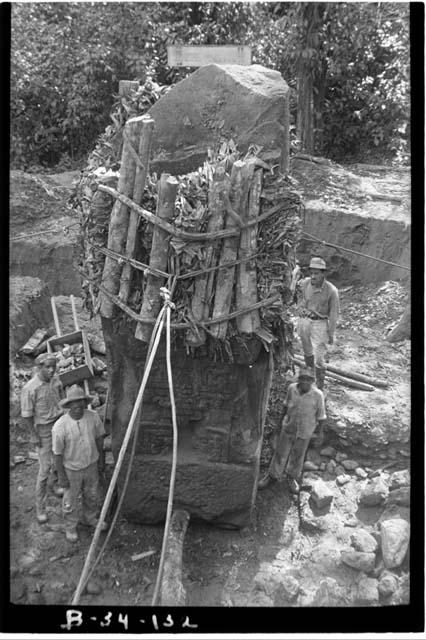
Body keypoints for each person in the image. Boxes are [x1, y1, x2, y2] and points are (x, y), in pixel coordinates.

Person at [52, 384, 107, 542]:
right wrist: (61, 476)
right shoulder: (60, 426)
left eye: (80, 402)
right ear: (68, 405)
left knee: (92, 494)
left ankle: (91, 519)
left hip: (91, 465)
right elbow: (57, 454)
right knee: (70, 500)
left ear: (84, 402)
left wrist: (101, 461)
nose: (77, 406)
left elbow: (99, 439)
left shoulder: (93, 416)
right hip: (71, 470)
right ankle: (70, 526)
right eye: (74, 403)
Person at [258, 368, 326, 494]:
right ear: (298, 379)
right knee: (280, 453)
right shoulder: (292, 389)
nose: (305, 382)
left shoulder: (318, 395)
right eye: (302, 378)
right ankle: (272, 476)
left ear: (313, 381)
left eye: (308, 379)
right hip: (288, 427)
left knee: (298, 456)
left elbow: (321, 416)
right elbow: (285, 406)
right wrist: (279, 425)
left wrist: (320, 433)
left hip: (305, 431)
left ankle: (291, 477)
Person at [20, 353, 65, 523]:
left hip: (58, 423)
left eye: (54, 366)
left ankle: (55, 485)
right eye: (47, 366)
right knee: (44, 469)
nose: (52, 369)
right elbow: (26, 415)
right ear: (39, 367)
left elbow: (61, 394)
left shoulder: (55, 379)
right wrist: (33, 435)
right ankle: (41, 508)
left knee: (59, 458)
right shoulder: (30, 388)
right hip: (43, 429)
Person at [296, 256, 340, 390]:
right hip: (305, 322)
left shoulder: (331, 291)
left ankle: (319, 386)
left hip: (320, 323)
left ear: (323, 274)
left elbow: (333, 315)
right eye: (311, 273)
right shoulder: (304, 284)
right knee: (307, 352)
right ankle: (309, 382)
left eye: (316, 273)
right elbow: (298, 299)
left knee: (319, 357)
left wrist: (331, 334)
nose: (313, 276)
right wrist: (300, 308)